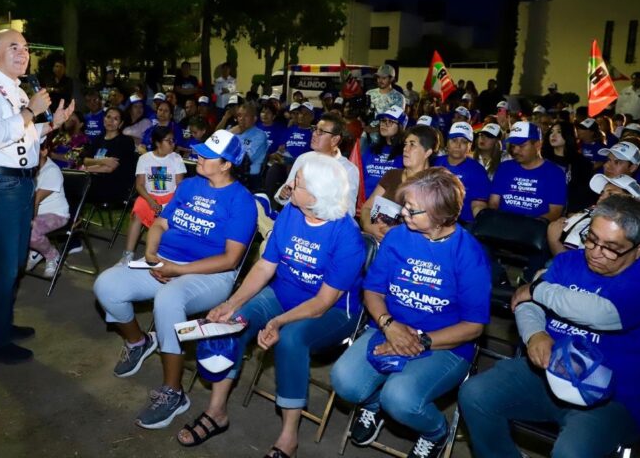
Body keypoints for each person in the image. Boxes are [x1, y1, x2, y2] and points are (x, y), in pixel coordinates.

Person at [175, 154, 365, 458]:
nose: (290, 185)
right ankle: (216, 411)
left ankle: (289, 437)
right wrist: (231, 302)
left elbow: (322, 303)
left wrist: (277, 323)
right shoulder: (291, 211)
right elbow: (265, 266)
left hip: (332, 312)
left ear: (316, 195)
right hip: (283, 293)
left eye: (297, 182)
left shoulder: (347, 236)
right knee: (231, 320)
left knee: (291, 339)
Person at [459, 195, 640, 458]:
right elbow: (525, 304)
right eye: (591, 238)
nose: (595, 252)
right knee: (475, 394)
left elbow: (599, 313)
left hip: (612, 397)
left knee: (570, 452)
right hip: (545, 375)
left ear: (639, 250)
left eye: (611, 247)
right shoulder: (568, 262)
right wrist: (535, 334)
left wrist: (538, 288)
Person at [93, 129, 256, 429]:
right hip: (165, 263)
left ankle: (174, 392)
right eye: (201, 152)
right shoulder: (190, 185)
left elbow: (231, 259)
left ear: (227, 164)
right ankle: (138, 341)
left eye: (209, 156)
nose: (200, 158)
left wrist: (177, 270)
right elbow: (159, 223)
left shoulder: (241, 201)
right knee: (106, 284)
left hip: (211, 273)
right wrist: (152, 252)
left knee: (168, 299)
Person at [332, 167, 491, 458]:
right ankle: (372, 405)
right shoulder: (397, 237)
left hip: (444, 343)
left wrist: (421, 340)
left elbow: (473, 326)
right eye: (406, 205)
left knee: (400, 397)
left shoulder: (469, 254)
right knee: (345, 380)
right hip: (389, 327)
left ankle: (435, 431)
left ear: (442, 215)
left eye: (413, 210)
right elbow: (373, 291)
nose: (403, 212)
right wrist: (389, 325)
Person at [0, 28, 75, 364]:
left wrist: (52, 124)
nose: (24, 53)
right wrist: (30, 112)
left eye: (26, 48)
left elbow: (23, 136)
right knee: (4, 267)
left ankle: (1, 325)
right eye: (14, 47)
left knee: (14, 262)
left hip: (20, 183)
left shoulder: (15, 90)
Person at [547, 173, 640, 261]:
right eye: (602, 193)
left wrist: (553, 241)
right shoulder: (594, 218)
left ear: (631, 201)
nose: (602, 198)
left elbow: (572, 266)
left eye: (611, 194)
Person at [119, 126, 186, 266]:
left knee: (168, 218)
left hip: (171, 198)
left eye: (173, 140)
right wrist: (150, 201)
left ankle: (156, 254)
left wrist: (170, 203)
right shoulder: (145, 159)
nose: (173, 143)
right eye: (169, 141)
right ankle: (127, 255)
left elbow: (180, 185)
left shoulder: (176, 158)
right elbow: (139, 185)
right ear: (158, 143)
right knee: (137, 211)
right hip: (149, 196)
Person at [361, 125, 439, 241]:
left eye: (412, 144)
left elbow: (433, 229)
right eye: (405, 144)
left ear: (427, 152)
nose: (405, 149)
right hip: (375, 241)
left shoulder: (433, 186)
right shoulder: (391, 175)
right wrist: (369, 227)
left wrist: (395, 234)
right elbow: (367, 207)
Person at [274, 113, 359, 213]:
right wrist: (284, 194)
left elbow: (348, 210)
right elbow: (286, 189)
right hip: (295, 216)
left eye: (321, 132)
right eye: (315, 129)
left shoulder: (348, 169)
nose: (314, 134)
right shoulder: (304, 159)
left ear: (335, 140)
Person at [489, 122, 566, 222]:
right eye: (513, 146)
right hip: (502, 225)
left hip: (534, 230)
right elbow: (493, 203)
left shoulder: (555, 174)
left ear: (537, 145)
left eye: (521, 146)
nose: (515, 151)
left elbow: (554, 212)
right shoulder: (504, 167)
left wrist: (526, 228)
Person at [26, 138, 72, 278]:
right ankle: (37, 250)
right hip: (39, 214)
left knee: (28, 231)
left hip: (56, 214)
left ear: (44, 151)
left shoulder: (51, 170)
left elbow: (35, 200)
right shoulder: (28, 170)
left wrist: (27, 221)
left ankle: (51, 255)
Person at [434, 122, 490, 224]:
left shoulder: (478, 171)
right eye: (454, 140)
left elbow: (478, 205)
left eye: (464, 142)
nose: (458, 145)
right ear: (447, 142)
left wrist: (481, 225)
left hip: (463, 224)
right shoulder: (434, 162)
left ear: (470, 146)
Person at [80, 107, 138, 203]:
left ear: (121, 123)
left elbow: (110, 168)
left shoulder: (125, 141)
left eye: (115, 119)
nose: (110, 121)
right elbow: (86, 160)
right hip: (95, 180)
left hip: (115, 185)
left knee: (74, 183)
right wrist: (102, 161)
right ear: (104, 119)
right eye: (108, 117)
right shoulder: (98, 139)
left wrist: (86, 169)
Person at [542, 121, 596, 214]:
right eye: (551, 132)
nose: (553, 135)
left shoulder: (582, 163)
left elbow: (587, 193)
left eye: (559, 132)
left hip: (572, 213)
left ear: (568, 135)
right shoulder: (542, 161)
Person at [361, 107, 406, 199]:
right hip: (364, 202)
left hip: (389, 205)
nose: (384, 124)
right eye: (383, 120)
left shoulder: (405, 152)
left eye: (390, 122)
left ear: (401, 126)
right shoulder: (371, 149)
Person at [230, 102, 268, 187]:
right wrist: (229, 134)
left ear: (254, 119)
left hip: (249, 177)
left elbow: (246, 160)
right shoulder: (233, 131)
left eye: (246, 116)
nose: (241, 119)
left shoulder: (260, 135)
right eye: (239, 115)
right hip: (231, 172)